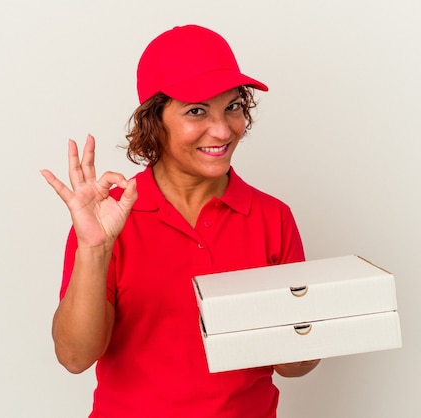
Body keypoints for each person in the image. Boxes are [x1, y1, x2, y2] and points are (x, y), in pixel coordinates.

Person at [41, 24, 320, 418]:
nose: (223, 130)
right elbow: (74, 357)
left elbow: (294, 366)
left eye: (233, 106)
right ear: (154, 122)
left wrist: (316, 329)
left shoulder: (272, 217)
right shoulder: (108, 217)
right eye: (196, 111)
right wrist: (95, 249)